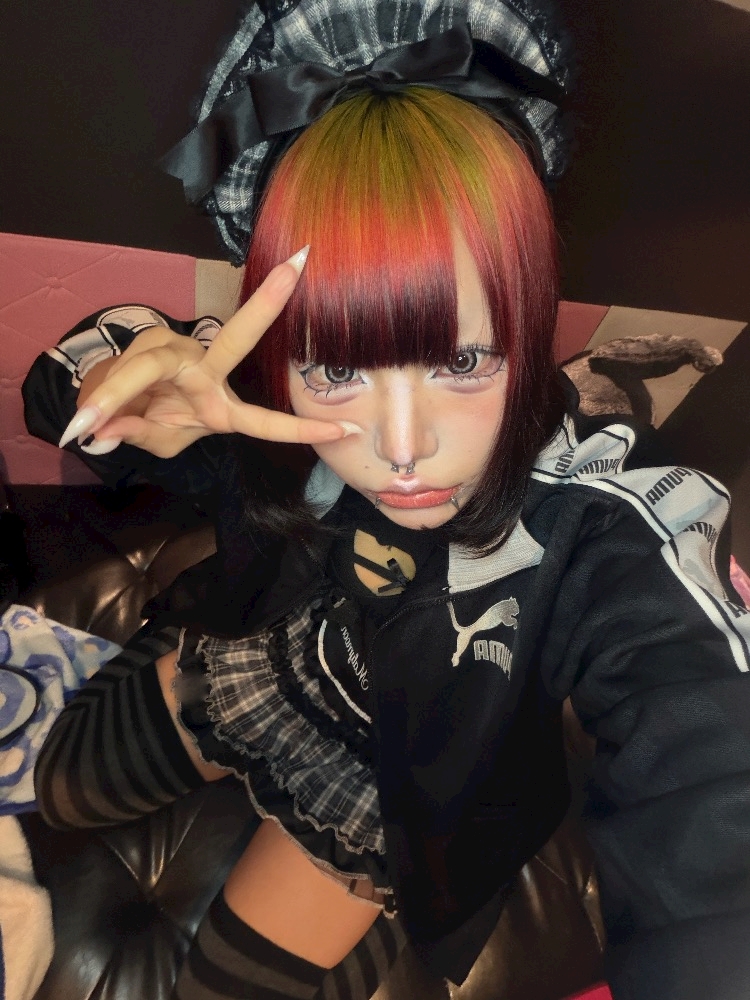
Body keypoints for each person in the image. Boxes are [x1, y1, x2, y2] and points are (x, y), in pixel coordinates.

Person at [22, 2, 750, 999]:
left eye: (461, 358)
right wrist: (113, 391)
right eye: (337, 368)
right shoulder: (254, 404)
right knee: (60, 785)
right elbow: (70, 383)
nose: (401, 448)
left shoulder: (595, 516)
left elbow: (704, 751)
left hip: (396, 774)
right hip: (254, 654)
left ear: (525, 319)